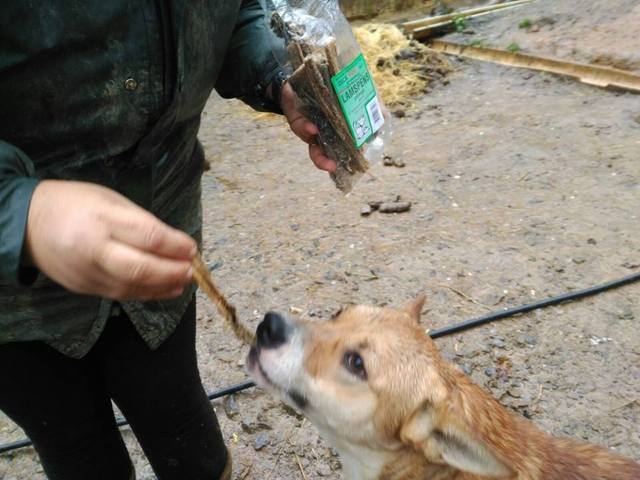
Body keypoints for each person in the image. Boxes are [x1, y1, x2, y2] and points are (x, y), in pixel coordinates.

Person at [0, 1, 335, 479]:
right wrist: (19, 214)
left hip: (160, 224)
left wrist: (280, 74)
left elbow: (235, 12)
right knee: (76, 452)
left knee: (183, 427)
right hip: (13, 305)